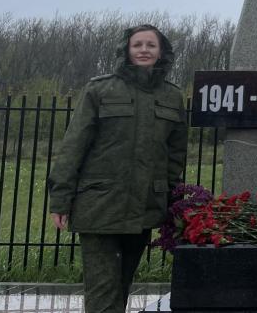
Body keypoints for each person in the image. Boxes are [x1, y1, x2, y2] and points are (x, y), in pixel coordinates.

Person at [48, 25, 188, 313]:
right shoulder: (100, 89)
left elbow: (176, 152)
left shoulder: (173, 96)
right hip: (100, 206)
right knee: (103, 290)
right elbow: (73, 147)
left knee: (122, 283)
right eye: (138, 44)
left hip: (144, 208)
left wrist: (168, 194)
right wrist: (60, 199)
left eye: (151, 45)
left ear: (161, 52)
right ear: (127, 49)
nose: (144, 50)